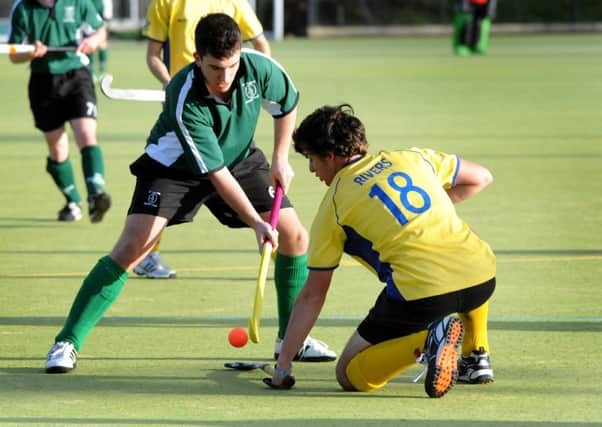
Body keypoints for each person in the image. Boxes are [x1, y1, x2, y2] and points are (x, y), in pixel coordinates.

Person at [44, 13, 335, 374]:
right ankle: (66, 342)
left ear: (240, 54)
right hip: (173, 167)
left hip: (239, 157)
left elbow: (286, 104)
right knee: (134, 246)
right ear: (197, 59)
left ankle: (291, 339)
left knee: (294, 235)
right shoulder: (184, 97)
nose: (224, 77)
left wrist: (278, 158)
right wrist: (256, 224)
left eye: (230, 66)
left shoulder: (260, 68)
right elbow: (216, 175)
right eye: (214, 68)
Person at [266, 104, 496, 397]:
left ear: (330, 156)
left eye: (311, 159)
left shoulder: (333, 204)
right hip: (484, 278)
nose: (312, 169)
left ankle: (427, 342)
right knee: (462, 254)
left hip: (423, 296)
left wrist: (283, 365)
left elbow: (313, 295)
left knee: (349, 374)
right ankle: (476, 356)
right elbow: (481, 177)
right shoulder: (411, 157)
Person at [136, 0, 271, 279]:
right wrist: (170, 84)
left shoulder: (235, 3)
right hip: (188, 105)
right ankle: (147, 253)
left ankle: (280, 251)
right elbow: (153, 54)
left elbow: (261, 46)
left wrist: (255, 83)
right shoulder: (166, 3)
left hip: (227, 105)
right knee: (169, 175)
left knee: (237, 171)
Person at [8, 0, 112, 223]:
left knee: (86, 134)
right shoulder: (23, 8)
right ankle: (73, 201)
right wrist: (31, 53)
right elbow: (13, 53)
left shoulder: (79, 2)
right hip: (43, 81)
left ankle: (96, 194)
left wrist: (93, 40)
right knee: (57, 149)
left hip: (77, 76)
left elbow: (101, 30)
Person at [88, 0, 113, 80]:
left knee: (102, 44)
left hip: (101, 18)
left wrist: (107, 17)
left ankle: (103, 71)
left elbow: (107, 4)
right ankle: (91, 71)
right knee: (89, 43)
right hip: (88, 19)